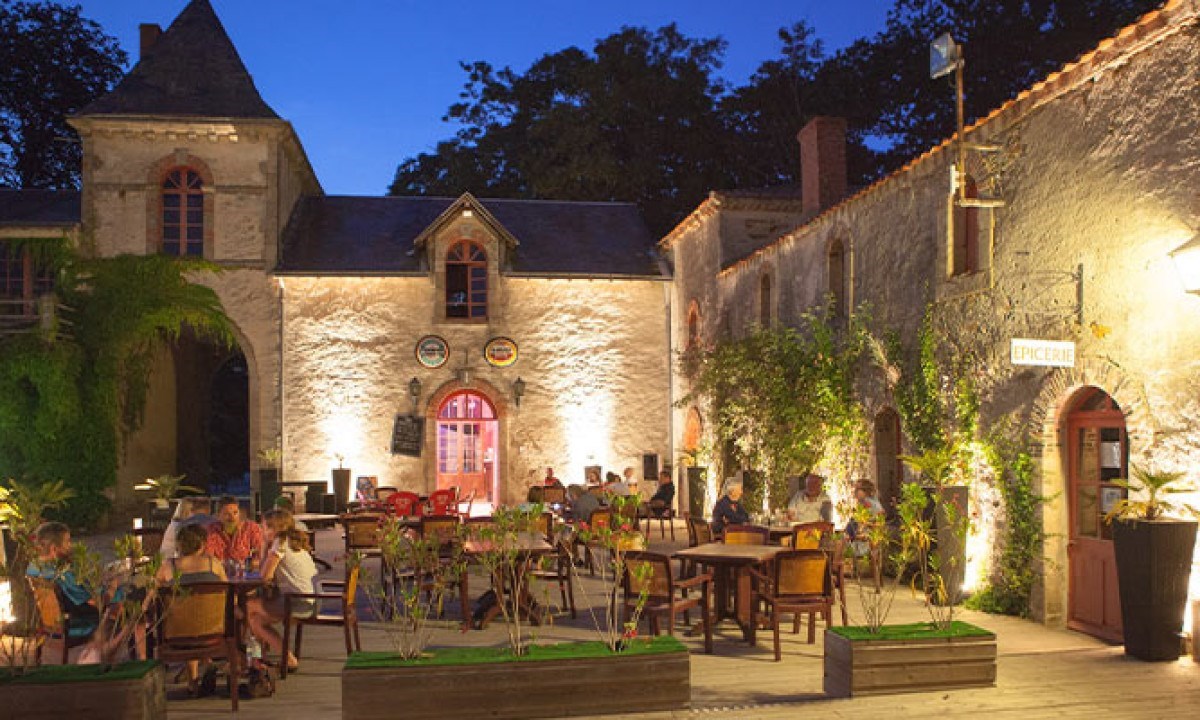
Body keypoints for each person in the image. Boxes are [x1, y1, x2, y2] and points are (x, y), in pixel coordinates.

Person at [26, 522, 140, 663]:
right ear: (54, 548)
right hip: (78, 621)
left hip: (54, 621)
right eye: (67, 542)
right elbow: (96, 602)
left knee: (124, 600)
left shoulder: (33, 568)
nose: (71, 546)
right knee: (133, 602)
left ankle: (104, 651)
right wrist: (113, 586)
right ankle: (106, 653)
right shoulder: (62, 573)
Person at [156, 523, 227, 694]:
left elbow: (153, 594)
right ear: (202, 544)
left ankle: (193, 681)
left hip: (176, 634)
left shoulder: (168, 567)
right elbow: (226, 592)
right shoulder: (213, 564)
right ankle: (209, 665)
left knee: (185, 617)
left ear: (179, 545)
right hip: (213, 631)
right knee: (200, 617)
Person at [245, 510, 318, 672]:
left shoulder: (281, 542)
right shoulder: (293, 541)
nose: (261, 531)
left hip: (298, 601)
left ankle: (255, 657)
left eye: (263, 527)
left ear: (273, 528)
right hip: (310, 599)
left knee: (248, 607)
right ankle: (272, 658)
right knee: (256, 620)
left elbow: (264, 576)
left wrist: (264, 546)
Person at [205, 495, 265, 568]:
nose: (232, 517)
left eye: (235, 512)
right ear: (218, 515)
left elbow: (260, 554)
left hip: (247, 573)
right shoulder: (210, 530)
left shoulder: (252, 528)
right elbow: (208, 557)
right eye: (227, 514)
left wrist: (250, 563)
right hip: (219, 573)